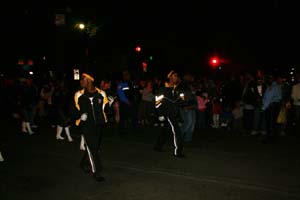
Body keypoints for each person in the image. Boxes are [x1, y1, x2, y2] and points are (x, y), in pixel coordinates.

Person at [74, 72, 108, 182]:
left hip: (98, 125)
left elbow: (104, 109)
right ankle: (96, 171)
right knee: (92, 149)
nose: (80, 82)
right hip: (86, 126)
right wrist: (79, 116)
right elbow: (73, 110)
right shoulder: (78, 95)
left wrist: (111, 107)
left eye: (82, 79)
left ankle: (83, 163)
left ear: (89, 80)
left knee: (93, 147)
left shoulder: (101, 94)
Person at [153, 70, 185, 158]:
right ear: (170, 77)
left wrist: (181, 100)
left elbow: (176, 102)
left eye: (177, 76)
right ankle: (178, 152)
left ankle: (158, 146)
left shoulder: (174, 90)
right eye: (174, 76)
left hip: (173, 113)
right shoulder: (163, 89)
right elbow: (157, 103)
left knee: (166, 130)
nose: (176, 78)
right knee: (177, 131)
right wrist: (160, 115)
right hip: (168, 114)